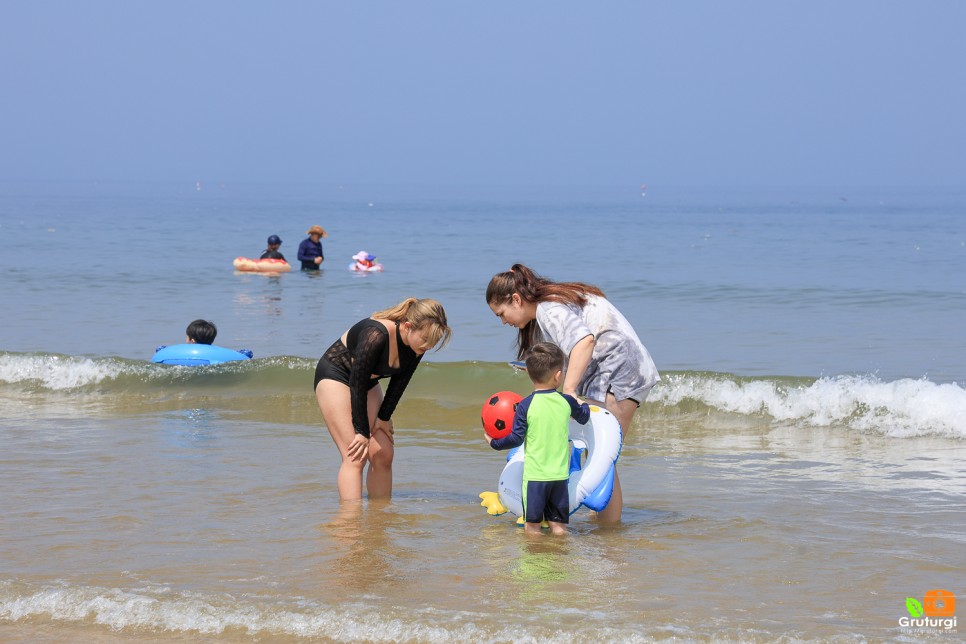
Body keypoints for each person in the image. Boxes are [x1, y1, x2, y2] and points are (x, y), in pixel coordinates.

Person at [485, 263, 660, 524]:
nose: (503, 321)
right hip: (615, 370)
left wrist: (568, 391)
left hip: (620, 371)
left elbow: (584, 341)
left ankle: (608, 534)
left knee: (602, 456)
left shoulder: (549, 309)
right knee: (597, 454)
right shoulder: (547, 308)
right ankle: (600, 526)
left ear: (516, 299)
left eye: (501, 313)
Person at [314, 298, 452, 501]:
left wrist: (384, 417)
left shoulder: (419, 345)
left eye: (433, 342)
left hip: (365, 383)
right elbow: (357, 383)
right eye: (425, 339)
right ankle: (350, 524)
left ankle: (379, 518)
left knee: (383, 452)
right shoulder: (376, 334)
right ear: (408, 327)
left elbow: (400, 381)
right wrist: (361, 432)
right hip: (337, 376)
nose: (428, 346)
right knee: (356, 456)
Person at [486, 342, 590, 535]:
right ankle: (560, 558)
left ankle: (534, 562)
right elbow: (584, 416)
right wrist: (582, 404)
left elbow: (516, 439)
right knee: (559, 527)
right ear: (558, 375)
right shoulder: (565, 402)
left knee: (531, 527)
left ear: (529, 373)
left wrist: (494, 443)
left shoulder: (526, 405)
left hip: (535, 479)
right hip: (559, 478)